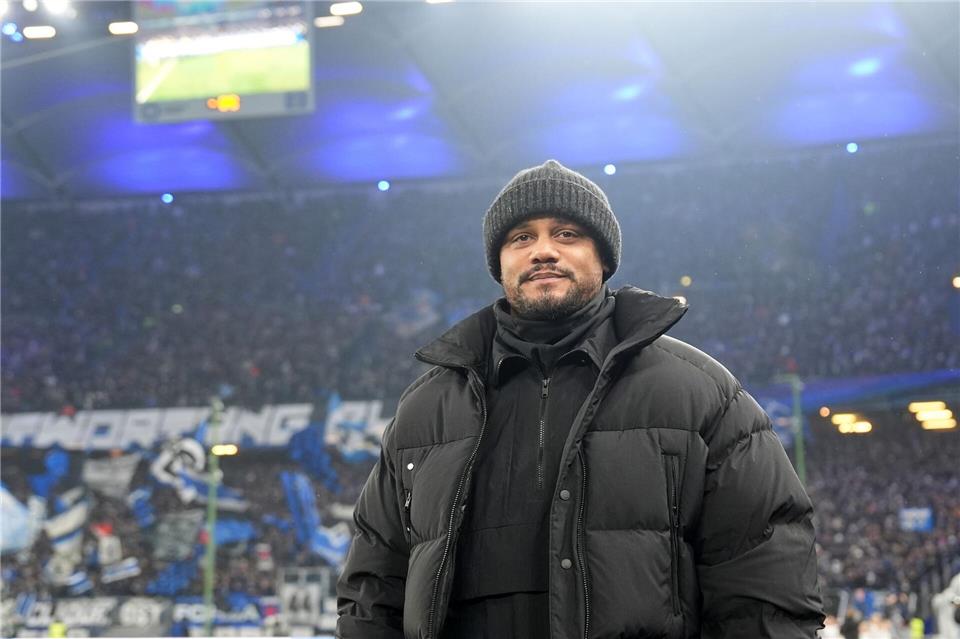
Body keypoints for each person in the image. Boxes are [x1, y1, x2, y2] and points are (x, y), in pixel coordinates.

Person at [337, 160, 824, 638]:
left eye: (567, 234)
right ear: (499, 262)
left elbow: (764, 581)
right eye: (521, 237)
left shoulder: (700, 392)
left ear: (604, 257)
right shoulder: (425, 408)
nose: (543, 251)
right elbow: (374, 585)